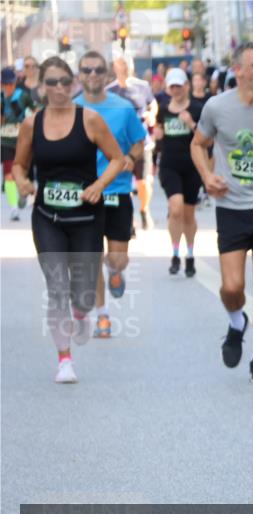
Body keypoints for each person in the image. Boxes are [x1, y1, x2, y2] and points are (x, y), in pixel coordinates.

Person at [12, 56, 127, 382]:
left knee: (84, 295)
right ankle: (64, 360)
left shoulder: (89, 120)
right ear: (42, 86)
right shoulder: (32, 123)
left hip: (87, 217)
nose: (60, 88)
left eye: (65, 81)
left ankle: (81, 312)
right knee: (57, 287)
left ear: (73, 83)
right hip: (48, 216)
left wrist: (99, 185)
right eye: (52, 82)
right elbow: (20, 165)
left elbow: (118, 159)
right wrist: (21, 181)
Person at [191, 42, 253, 383]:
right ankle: (237, 323)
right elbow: (197, 144)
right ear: (238, 71)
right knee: (232, 287)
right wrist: (207, 176)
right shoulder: (217, 107)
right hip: (231, 206)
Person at [74, 52, 148, 338]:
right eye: (86, 69)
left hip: (117, 191)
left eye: (97, 70)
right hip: (86, 194)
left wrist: (130, 156)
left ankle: (116, 272)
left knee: (117, 259)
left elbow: (140, 142)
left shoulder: (123, 108)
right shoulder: (72, 108)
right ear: (80, 74)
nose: (92, 75)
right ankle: (102, 317)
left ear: (106, 76)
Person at [156, 67, 204, 278]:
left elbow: (206, 138)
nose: (176, 90)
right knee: (175, 209)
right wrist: (157, 133)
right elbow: (158, 132)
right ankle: (175, 253)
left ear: (187, 86)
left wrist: (191, 123)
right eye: (172, 86)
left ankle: (190, 254)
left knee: (188, 214)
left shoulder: (197, 108)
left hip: (192, 166)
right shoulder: (163, 109)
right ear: (168, 88)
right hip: (169, 166)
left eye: (179, 85)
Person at [108, 56, 157, 230]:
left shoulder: (142, 86)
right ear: (115, 68)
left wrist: (151, 115)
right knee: (124, 183)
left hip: (141, 141)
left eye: (128, 64)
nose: (126, 67)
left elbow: (153, 104)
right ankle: (128, 219)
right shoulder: (110, 91)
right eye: (122, 64)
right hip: (121, 144)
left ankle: (144, 209)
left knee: (143, 182)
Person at [2, 66, 36, 221]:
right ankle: (14, 208)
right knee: (8, 174)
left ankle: (22, 194)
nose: (8, 87)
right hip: (5, 140)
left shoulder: (23, 96)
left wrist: (28, 123)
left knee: (20, 172)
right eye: (5, 84)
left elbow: (35, 111)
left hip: (22, 140)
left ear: (14, 83)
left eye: (10, 83)